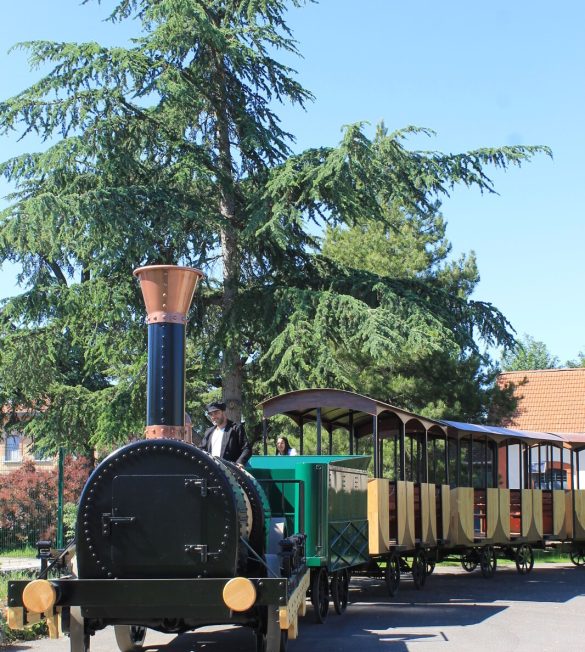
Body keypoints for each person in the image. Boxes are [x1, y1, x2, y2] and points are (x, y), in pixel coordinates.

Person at [200, 401, 252, 466]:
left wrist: (240, 462)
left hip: (231, 471)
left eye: (216, 413)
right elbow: (201, 450)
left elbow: (246, 448)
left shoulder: (236, 429)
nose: (213, 417)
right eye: (211, 414)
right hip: (212, 470)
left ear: (224, 412)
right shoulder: (208, 432)